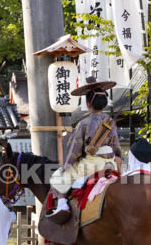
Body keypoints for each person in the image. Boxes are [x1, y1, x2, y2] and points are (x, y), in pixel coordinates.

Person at [46, 75, 123, 223]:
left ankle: (62, 205)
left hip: (91, 165)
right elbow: (117, 148)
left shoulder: (83, 124)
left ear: (88, 104)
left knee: (57, 177)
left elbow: (74, 151)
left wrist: (66, 166)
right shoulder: (111, 122)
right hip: (110, 163)